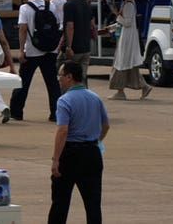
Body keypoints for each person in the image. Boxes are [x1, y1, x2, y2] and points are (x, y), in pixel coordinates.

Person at [49, 61, 109, 224]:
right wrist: (97, 141)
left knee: (60, 202)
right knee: (93, 204)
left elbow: (62, 131)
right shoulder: (95, 97)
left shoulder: (64, 100)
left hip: (70, 154)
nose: (58, 79)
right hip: (92, 153)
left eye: (60, 75)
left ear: (69, 77)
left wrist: (55, 159)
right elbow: (106, 125)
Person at [10, 0, 64, 121]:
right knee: (52, 84)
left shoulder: (25, 8)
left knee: (23, 82)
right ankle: (55, 113)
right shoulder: (50, 5)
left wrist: (21, 50)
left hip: (32, 50)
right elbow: (57, 25)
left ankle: (16, 112)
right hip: (49, 50)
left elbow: (22, 29)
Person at [104, 0, 153, 100]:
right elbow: (123, 21)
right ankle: (143, 86)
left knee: (122, 63)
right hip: (126, 36)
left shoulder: (129, 5)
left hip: (128, 39)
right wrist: (112, 27)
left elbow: (127, 22)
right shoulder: (127, 4)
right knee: (128, 64)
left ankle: (121, 91)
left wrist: (116, 14)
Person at [58, 0, 95, 83]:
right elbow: (91, 24)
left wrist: (69, 47)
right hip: (86, 47)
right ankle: (84, 98)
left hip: (74, 48)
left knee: (66, 77)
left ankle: (67, 98)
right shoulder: (85, 3)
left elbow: (70, 27)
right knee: (81, 78)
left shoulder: (69, 5)